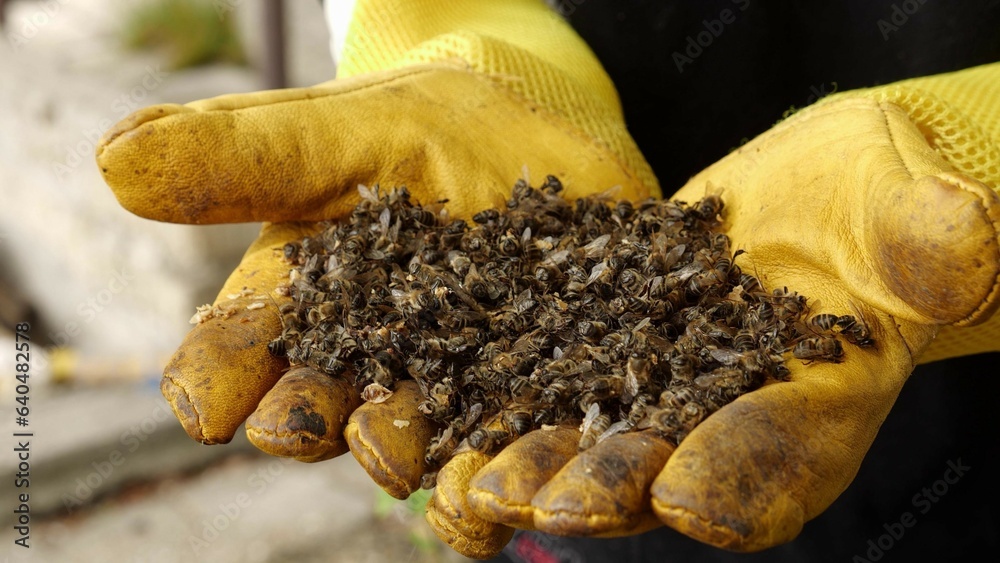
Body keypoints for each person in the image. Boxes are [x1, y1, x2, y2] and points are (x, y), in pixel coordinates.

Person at [95, 1, 1000, 561]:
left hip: (953, 431)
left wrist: (975, 143)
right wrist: (467, 38)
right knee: (551, 498)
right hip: (567, 453)